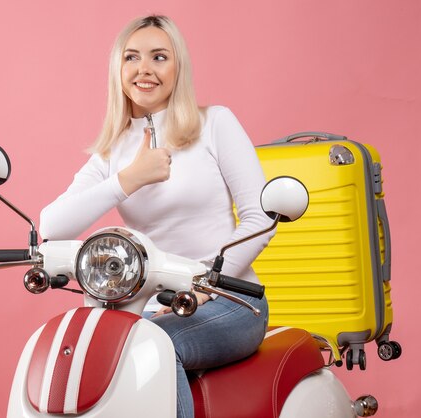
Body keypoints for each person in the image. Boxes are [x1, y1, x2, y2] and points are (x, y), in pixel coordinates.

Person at [40, 15, 273, 418]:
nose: (144, 69)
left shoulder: (214, 123)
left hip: (228, 301)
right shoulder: (113, 151)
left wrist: (204, 285)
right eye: (132, 57)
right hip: (144, 306)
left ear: (177, 67)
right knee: (86, 346)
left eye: (159, 57)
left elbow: (260, 216)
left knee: (158, 347)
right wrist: (129, 179)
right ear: (119, 69)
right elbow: (51, 227)